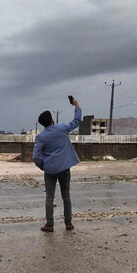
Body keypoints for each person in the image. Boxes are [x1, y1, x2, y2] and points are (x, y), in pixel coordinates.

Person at [33, 98, 82, 232]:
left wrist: (43, 166)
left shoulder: (41, 137)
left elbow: (36, 156)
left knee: (49, 197)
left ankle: (50, 224)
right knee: (66, 195)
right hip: (64, 168)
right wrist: (76, 105)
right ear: (52, 120)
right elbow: (76, 121)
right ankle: (68, 223)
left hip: (50, 170)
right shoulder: (62, 129)